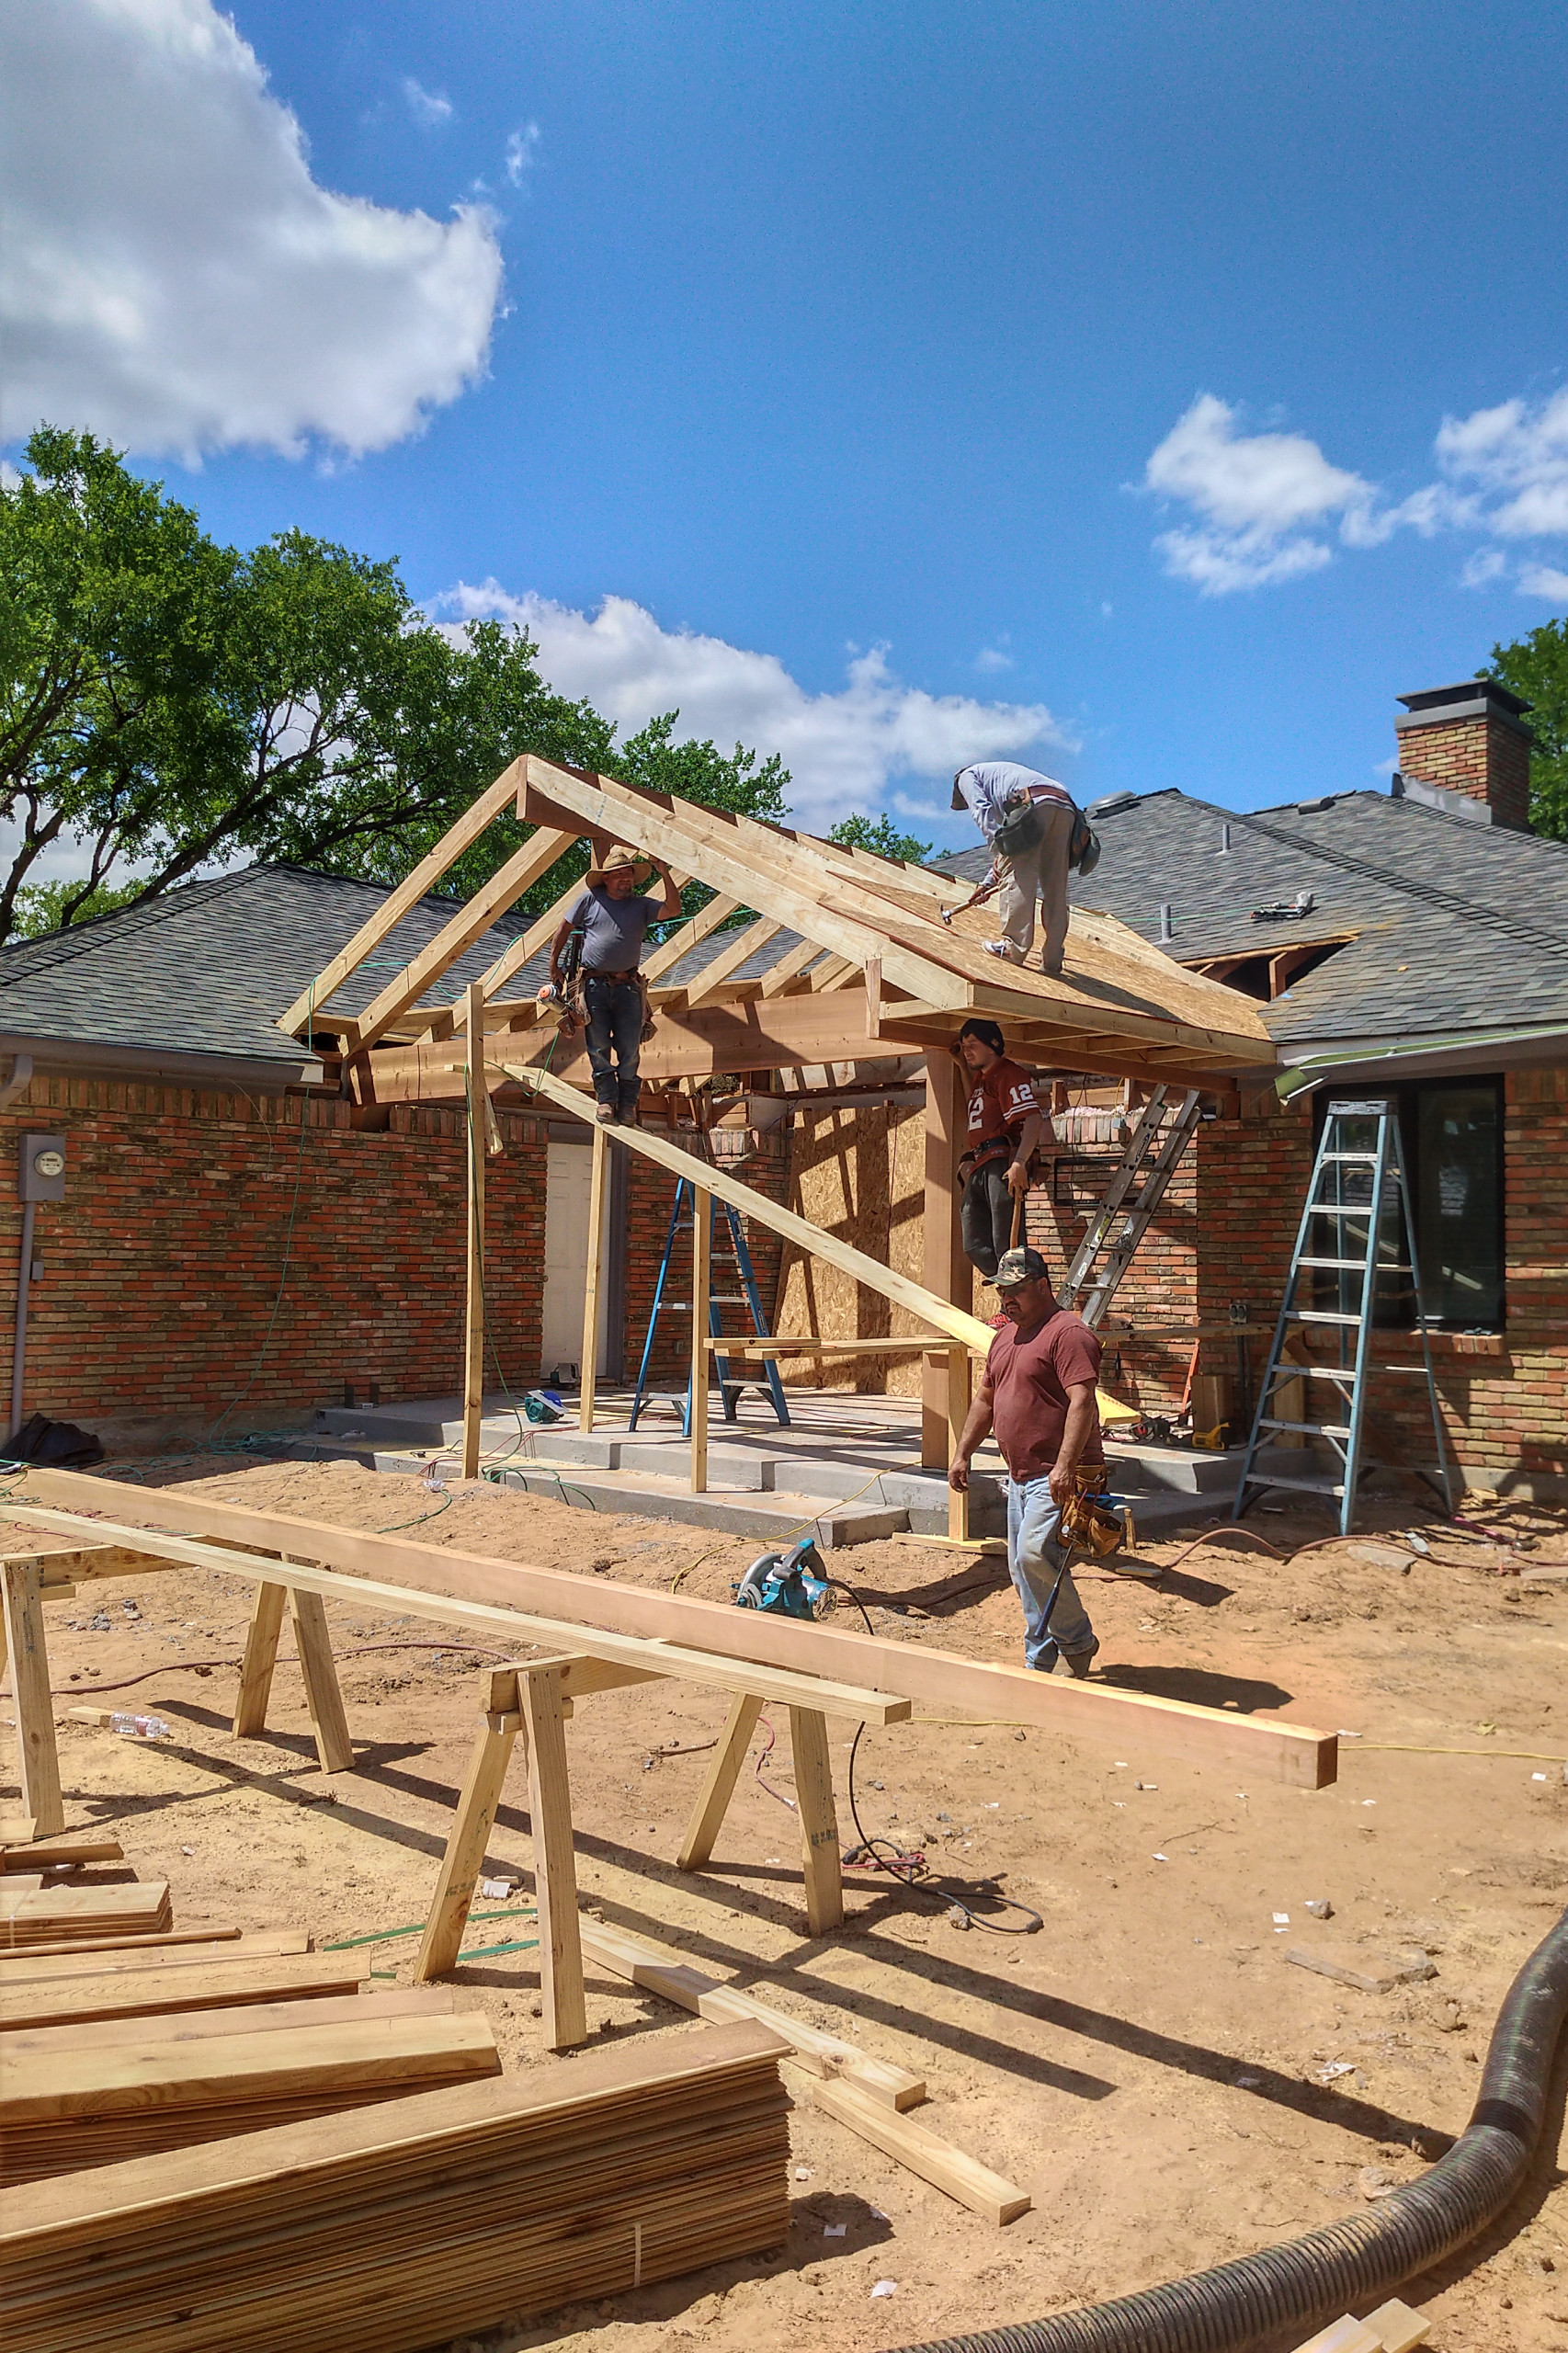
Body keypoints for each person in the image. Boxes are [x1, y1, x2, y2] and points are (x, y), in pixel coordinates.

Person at [949, 1245, 1103, 1677]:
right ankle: (1040, 1658)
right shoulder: (1004, 1337)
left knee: (1035, 1557)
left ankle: (1076, 1641)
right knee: (1021, 1568)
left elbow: (1083, 1402)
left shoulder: (1067, 1334)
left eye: (1016, 1290)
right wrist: (963, 1453)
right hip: (1018, 1475)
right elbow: (986, 1399)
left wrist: (1065, 1466)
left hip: (1056, 1475)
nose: (1007, 1300)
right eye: (1002, 1291)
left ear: (1042, 1286)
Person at [549, 845, 681, 1124]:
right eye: (619, 874)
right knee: (597, 1046)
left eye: (629, 874)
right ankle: (607, 1101)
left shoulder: (642, 905)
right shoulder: (589, 900)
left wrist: (663, 871)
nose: (626, 879)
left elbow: (673, 908)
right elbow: (562, 930)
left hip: (628, 987)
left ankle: (628, 1105)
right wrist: (553, 966)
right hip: (594, 985)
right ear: (606, 878)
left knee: (630, 1048)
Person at [951, 759, 1077, 976]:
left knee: (1019, 876)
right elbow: (1009, 845)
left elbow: (982, 813)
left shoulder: (966, 778)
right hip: (1065, 805)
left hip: (1033, 802)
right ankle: (1053, 960)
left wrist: (999, 851)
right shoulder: (999, 778)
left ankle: (1012, 949)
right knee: (1056, 884)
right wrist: (987, 882)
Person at [953, 1017, 1046, 1279]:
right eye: (963, 1045)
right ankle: (1012, 1291)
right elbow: (974, 1103)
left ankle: (1021, 1297)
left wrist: (1019, 1162)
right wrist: (962, 1065)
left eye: (972, 1044)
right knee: (974, 1244)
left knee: (1007, 1242)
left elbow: (1033, 1118)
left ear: (993, 1044)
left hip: (999, 1162)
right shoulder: (982, 1079)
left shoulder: (1009, 1074)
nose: (967, 1050)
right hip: (980, 1163)